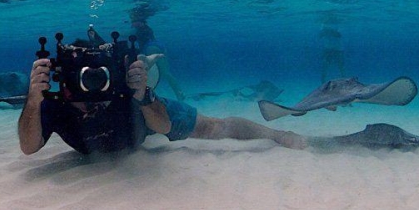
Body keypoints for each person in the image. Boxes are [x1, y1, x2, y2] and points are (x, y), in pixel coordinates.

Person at [18, 55, 306, 155]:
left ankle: (277, 135)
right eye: (81, 80)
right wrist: (32, 101)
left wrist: (143, 94)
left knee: (211, 126)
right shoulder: (52, 105)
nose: (91, 87)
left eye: (98, 78)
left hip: (143, 120)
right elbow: (29, 148)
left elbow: (164, 126)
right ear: (65, 79)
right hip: (118, 138)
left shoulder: (125, 94)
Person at [130, 18, 186, 101]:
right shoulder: (146, 29)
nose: (132, 24)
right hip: (158, 46)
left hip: (150, 48)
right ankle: (179, 92)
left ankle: (145, 98)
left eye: (134, 22)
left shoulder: (141, 30)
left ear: (140, 22)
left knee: (154, 73)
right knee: (166, 73)